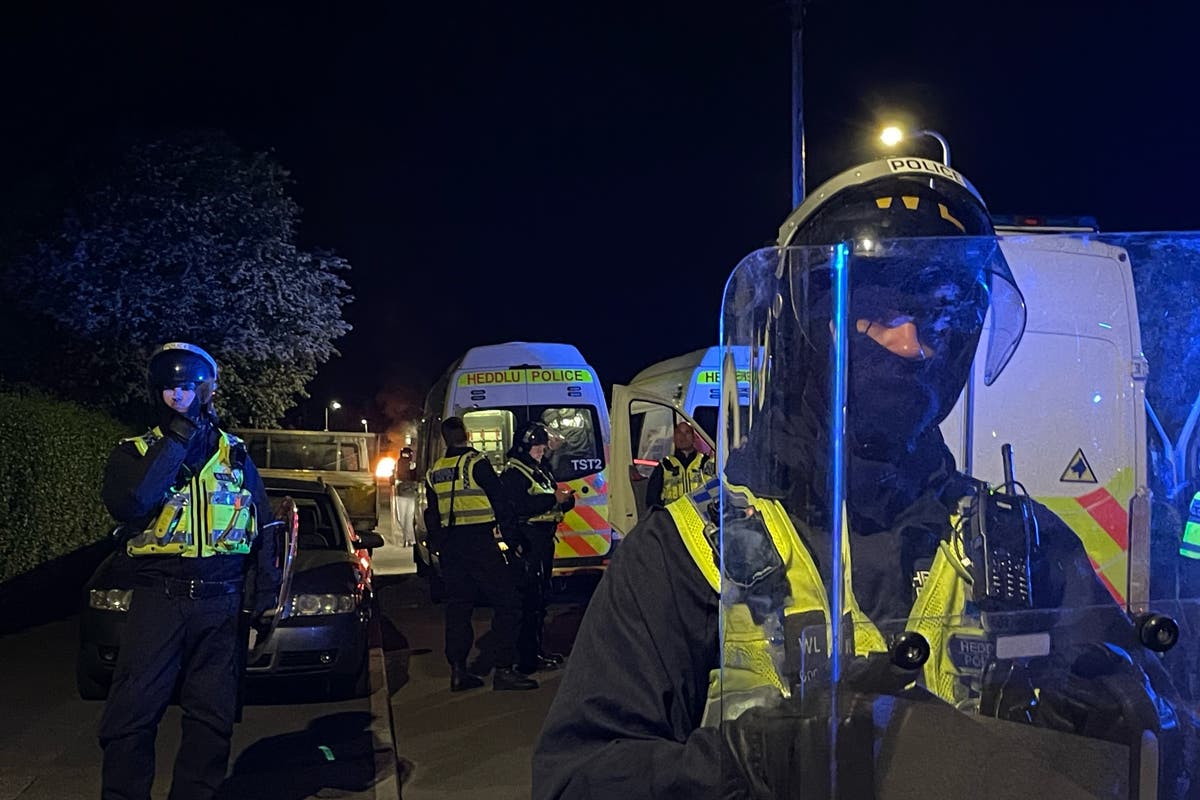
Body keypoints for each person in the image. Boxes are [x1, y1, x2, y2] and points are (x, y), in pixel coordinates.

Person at [532, 160, 1197, 798]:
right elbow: (576, 779)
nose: (915, 347)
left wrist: (1138, 722)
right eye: (878, 310)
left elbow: (1151, 744)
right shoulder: (688, 555)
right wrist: (755, 763)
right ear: (804, 331)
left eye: (943, 315)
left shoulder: (1022, 543)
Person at [99, 342, 282, 800]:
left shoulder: (235, 455)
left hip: (222, 602)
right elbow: (133, 503)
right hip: (160, 598)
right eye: (168, 390)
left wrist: (265, 598)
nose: (177, 398)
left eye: (186, 388)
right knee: (131, 715)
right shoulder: (133, 452)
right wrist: (177, 440)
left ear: (208, 390)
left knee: (212, 718)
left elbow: (262, 525)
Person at [424, 416, 538, 691]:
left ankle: (458, 671)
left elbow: (431, 515)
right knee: (508, 602)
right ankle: (504, 669)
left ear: (444, 439)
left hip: (452, 548)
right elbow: (501, 503)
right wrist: (514, 541)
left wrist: (439, 545)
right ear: (467, 434)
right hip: (479, 542)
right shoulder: (477, 463)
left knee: (458, 608)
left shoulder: (435, 471)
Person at [499, 421, 575, 673]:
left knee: (540, 599)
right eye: (537, 448)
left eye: (543, 448)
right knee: (529, 601)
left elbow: (548, 501)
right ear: (524, 448)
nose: (541, 452)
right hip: (529, 540)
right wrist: (553, 498)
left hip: (542, 540)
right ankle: (526, 660)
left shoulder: (538, 470)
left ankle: (536, 652)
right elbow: (519, 506)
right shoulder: (514, 473)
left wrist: (564, 500)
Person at [645, 420, 714, 509]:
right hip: (674, 518)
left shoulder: (706, 462)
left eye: (687, 432)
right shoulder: (665, 466)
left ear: (694, 437)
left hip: (700, 517)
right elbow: (652, 500)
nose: (683, 437)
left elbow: (716, 493)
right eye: (679, 433)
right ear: (674, 438)